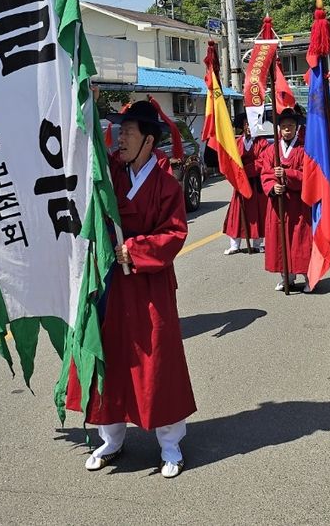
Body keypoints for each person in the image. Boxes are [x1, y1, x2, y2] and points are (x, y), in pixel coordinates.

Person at [66, 101, 196, 479]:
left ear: (148, 140)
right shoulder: (112, 173)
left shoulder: (166, 184)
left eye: (129, 132)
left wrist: (134, 250)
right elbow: (86, 161)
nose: (120, 137)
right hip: (110, 281)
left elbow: (174, 234)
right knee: (111, 355)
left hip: (148, 284)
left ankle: (170, 443)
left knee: (157, 359)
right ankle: (112, 437)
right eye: (119, 131)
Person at [260, 108, 313, 292]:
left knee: (301, 240)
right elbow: (265, 173)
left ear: (297, 128)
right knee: (280, 239)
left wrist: (289, 174)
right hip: (279, 203)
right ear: (279, 129)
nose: (287, 129)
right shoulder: (271, 150)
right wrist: (273, 186)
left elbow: (310, 175)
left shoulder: (304, 149)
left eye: (291, 126)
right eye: (284, 126)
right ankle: (286, 277)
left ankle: (309, 277)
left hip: (298, 203)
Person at [222, 112, 269, 255]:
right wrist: (236, 173)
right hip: (240, 183)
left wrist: (245, 171)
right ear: (243, 126)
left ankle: (257, 243)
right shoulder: (235, 142)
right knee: (237, 213)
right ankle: (234, 244)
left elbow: (262, 162)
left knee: (258, 213)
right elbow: (230, 161)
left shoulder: (262, 143)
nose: (249, 127)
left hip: (255, 183)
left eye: (252, 124)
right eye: (247, 124)